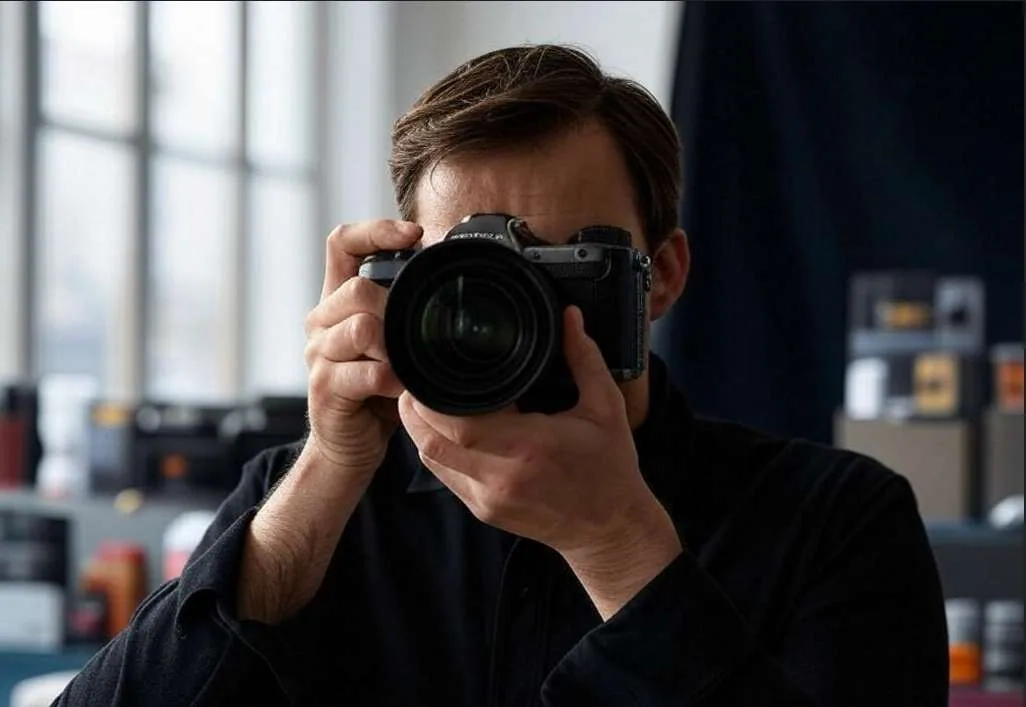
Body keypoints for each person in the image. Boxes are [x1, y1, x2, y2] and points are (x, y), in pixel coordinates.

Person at [55, 44, 949, 706]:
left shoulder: (834, 519)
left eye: (563, 266)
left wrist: (620, 546)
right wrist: (327, 472)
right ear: (398, 276)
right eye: (471, 270)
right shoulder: (317, 500)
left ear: (663, 275)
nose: (512, 307)